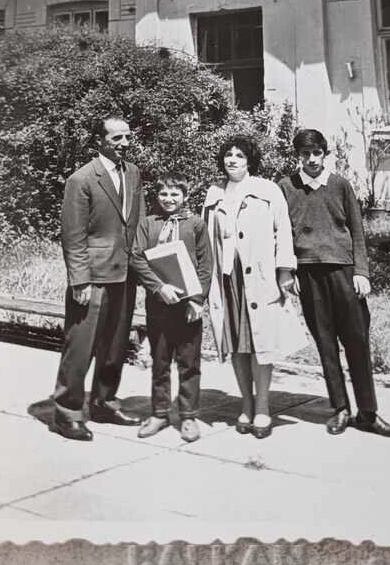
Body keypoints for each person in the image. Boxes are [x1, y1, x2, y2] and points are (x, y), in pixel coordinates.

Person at [28, 115, 145, 442]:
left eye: (127, 137)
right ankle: (67, 413)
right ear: (99, 141)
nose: (123, 143)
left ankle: (104, 402)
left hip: (125, 274)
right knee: (81, 347)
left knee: (115, 346)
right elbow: (73, 236)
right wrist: (79, 281)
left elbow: (137, 224)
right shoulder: (80, 180)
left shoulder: (133, 173)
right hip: (91, 278)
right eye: (116, 138)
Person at [279, 128, 390, 439]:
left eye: (316, 153)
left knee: (357, 339)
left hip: (344, 272)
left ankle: (368, 414)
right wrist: (287, 272)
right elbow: (279, 235)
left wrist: (362, 272)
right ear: (298, 156)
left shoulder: (340, 185)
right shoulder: (285, 187)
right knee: (326, 342)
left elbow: (358, 231)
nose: (311, 160)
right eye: (305, 154)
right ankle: (340, 409)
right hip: (308, 274)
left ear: (325, 154)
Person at [203, 135, 302, 440]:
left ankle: (262, 407)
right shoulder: (214, 193)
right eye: (228, 155)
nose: (232, 160)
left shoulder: (266, 190)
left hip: (259, 280)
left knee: (262, 343)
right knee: (237, 343)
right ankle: (245, 403)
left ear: (250, 161)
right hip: (227, 281)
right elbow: (207, 240)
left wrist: (285, 271)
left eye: (239, 156)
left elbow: (283, 231)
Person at [129, 175, 213, 443]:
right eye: (164, 194)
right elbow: (136, 257)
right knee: (160, 360)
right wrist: (158, 287)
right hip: (159, 304)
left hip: (188, 306)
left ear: (185, 197)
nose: (169, 199)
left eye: (175, 195)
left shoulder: (196, 224)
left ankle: (188, 415)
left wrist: (198, 300)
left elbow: (205, 265)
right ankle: (160, 412)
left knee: (189, 362)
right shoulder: (148, 224)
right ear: (157, 196)